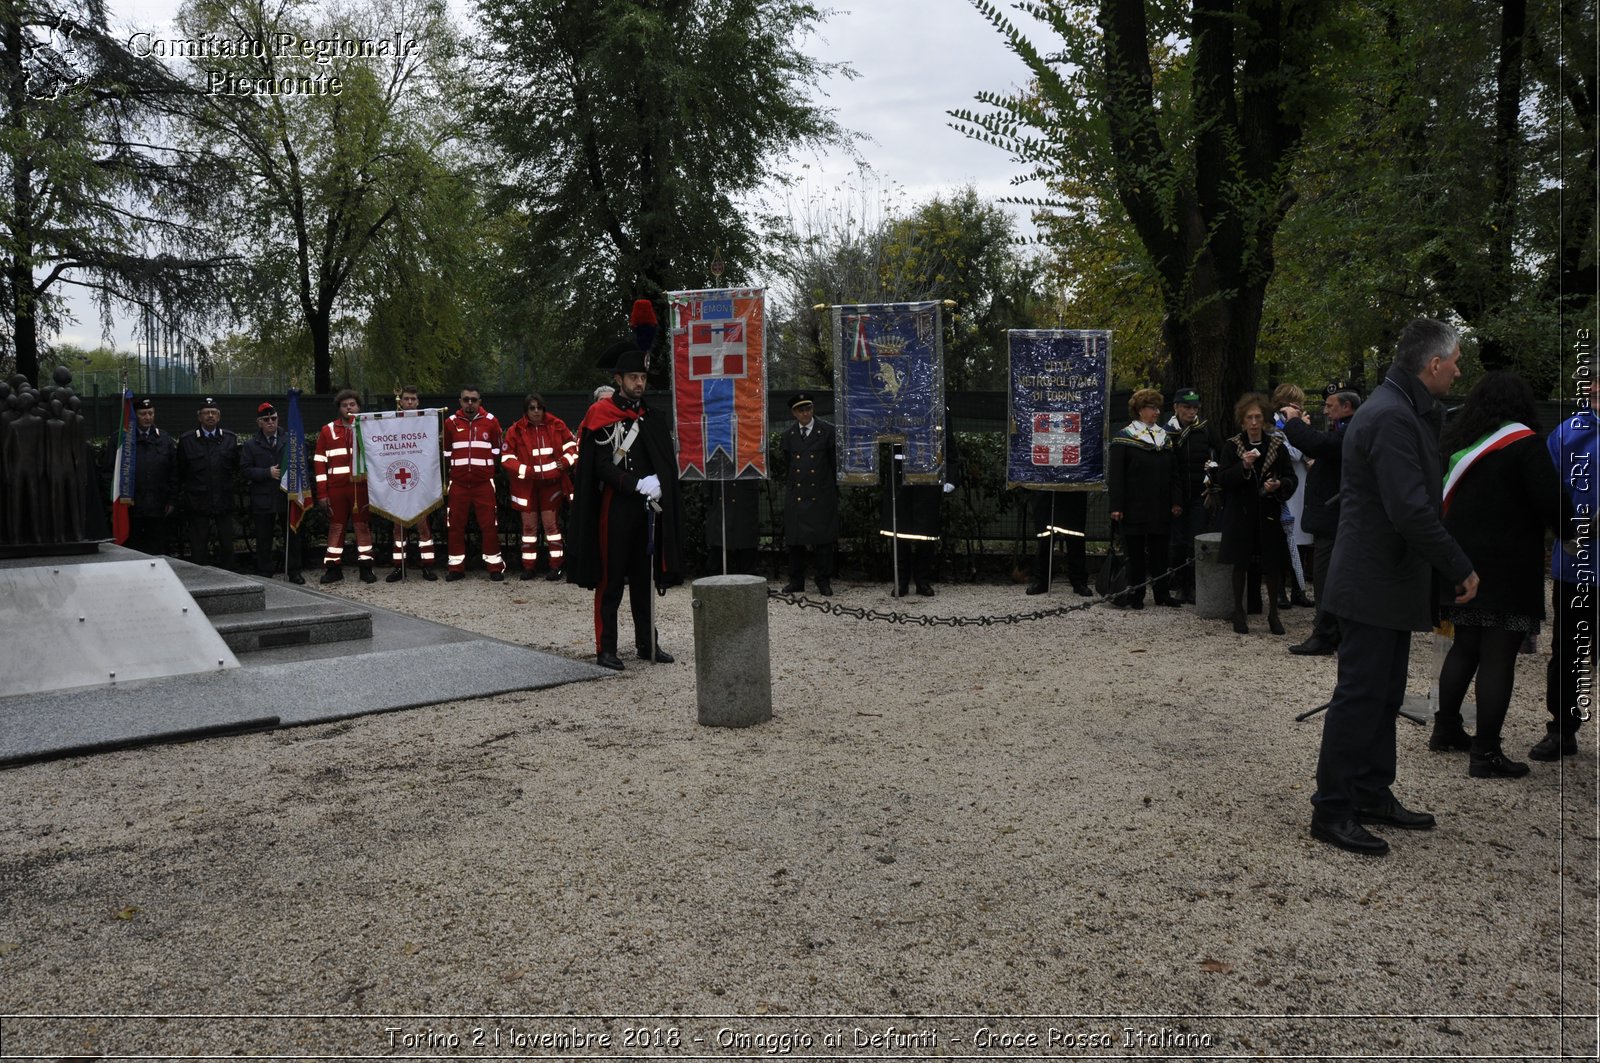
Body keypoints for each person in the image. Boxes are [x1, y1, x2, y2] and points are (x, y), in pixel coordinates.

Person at [1310, 318, 1478, 856]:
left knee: (1382, 695)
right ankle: (1332, 808)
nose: (1458, 370)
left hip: (1386, 580)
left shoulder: (1399, 408)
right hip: (1372, 582)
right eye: (1454, 361)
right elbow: (1410, 509)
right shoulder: (1391, 416)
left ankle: (1371, 791)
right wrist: (1459, 566)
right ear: (1433, 364)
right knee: (1360, 697)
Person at [1428, 372, 1569, 777]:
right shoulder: (1525, 445)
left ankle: (1446, 728)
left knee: (1465, 647)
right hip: (1509, 567)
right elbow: (1552, 504)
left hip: (1461, 562)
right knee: (1498, 656)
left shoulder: (1459, 444)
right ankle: (1486, 752)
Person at [567, 308, 683, 670]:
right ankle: (607, 648)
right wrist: (636, 483)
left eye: (642, 377)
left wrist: (661, 482)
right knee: (611, 579)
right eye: (633, 377)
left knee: (644, 581)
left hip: (647, 510)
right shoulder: (602, 415)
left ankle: (648, 644)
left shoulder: (650, 416)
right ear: (619, 379)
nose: (639, 383)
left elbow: (662, 459)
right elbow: (599, 465)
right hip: (615, 508)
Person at [1537, 373, 1597, 761]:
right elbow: (1545, 489)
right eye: (1594, 382)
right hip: (1577, 565)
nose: (1594, 389)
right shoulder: (1568, 432)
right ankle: (1562, 729)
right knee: (1569, 650)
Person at [1280, 386, 1360, 655]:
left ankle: (1325, 635)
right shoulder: (1345, 428)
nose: (1325, 410)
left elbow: (1319, 444)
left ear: (1347, 407)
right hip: (1331, 517)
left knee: (1327, 579)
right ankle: (1332, 632)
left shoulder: (1351, 430)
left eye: (1330, 405)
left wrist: (1292, 421)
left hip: (1333, 519)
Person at [1215, 393, 1297, 634]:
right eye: (1249, 417)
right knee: (1240, 564)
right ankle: (1238, 613)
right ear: (1242, 421)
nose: (1253, 422)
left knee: (1272, 565)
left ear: (1264, 420)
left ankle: (1273, 614)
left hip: (1268, 514)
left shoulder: (1276, 447)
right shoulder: (1232, 446)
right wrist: (1244, 466)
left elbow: (1291, 478)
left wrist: (1279, 485)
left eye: (1258, 417)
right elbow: (1222, 478)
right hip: (1239, 514)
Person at [1107, 388, 1181, 609]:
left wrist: (1176, 501)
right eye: (1152, 408)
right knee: (1136, 554)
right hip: (1134, 506)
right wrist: (1116, 506)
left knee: (1160, 552)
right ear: (1140, 410)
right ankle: (1136, 594)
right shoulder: (1124, 438)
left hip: (1160, 506)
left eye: (1158, 408)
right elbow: (1117, 476)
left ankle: (1162, 593)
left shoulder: (1164, 439)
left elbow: (1174, 474)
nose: (1157, 412)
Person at [501, 391, 577, 580]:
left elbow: (573, 447)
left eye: (539, 408)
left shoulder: (557, 425)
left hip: (551, 485)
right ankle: (529, 567)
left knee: (551, 528)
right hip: (526, 485)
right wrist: (525, 470)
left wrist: (566, 462)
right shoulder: (515, 430)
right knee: (528, 529)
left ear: (544, 409)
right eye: (531, 408)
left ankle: (556, 567)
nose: (536, 412)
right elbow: (506, 458)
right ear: (526, 411)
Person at [881, 424, 957, 598]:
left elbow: (948, 443)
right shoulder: (899, 406)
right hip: (900, 475)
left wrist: (951, 477)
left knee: (926, 534)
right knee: (899, 533)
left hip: (929, 476)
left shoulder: (939, 408)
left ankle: (923, 581)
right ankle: (901, 581)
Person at [442, 385, 506, 582]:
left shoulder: (491, 421)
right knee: (455, 525)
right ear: (460, 401)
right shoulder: (450, 423)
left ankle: (494, 566)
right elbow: (446, 452)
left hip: (483, 484)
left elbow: (496, 451)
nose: (470, 403)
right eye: (466, 399)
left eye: (474, 400)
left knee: (489, 525)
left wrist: (483, 469)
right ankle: (456, 567)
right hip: (459, 483)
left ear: (480, 402)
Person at [313, 389, 376, 583]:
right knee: (336, 528)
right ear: (339, 408)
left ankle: (366, 568)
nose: (349, 408)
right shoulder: (328, 430)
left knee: (362, 527)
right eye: (344, 405)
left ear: (358, 406)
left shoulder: (369, 428)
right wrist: (322, 493)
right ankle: (333, 568)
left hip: (362, 488)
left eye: (352, 404)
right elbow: (319, 461)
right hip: (336, 489)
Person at [780, 392, 838, 596]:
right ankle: (796, 580)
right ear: (794, 413)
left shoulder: (828, 432)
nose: (806, 413)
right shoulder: (788, 436)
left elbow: (833, 464)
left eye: (809, 408)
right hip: (797, 493)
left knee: (823, 541)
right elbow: (788, 466)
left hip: (820, 493)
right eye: (801, 409)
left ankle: (823, 580)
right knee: (795, 541)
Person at [240, 401, 305, 584]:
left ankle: (294, 571)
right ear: (259, 422)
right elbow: (245, 470)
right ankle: (264, 572)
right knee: (263, 537)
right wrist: (266, 472)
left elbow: (300, 464)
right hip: (264, 497)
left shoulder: (290, 439)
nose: (271, 422)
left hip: (287, 495)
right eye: (266, 419)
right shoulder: (251, 444)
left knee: (292, 536)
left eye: (273, 418)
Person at [176, 396, 239, 569]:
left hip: (223, 500)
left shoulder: (230, 439)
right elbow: (180, 471)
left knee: (227, 543)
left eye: (213, 413)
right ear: (199, 417)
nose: (210, 416)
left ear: (219, 417)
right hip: (198, 501)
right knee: (198, 546)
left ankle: (231, 578)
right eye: (206, 413)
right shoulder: (187, 440)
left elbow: (235, 468)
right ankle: (201, 579)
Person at [1165, 388, 1216, 603]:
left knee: (1195, 539)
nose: (1191, 411)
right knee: (1176, 542)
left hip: (1198, 494)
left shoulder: (1204, 431)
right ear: (1176, 407)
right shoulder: (1165, 433)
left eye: (1195, 407)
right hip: (1174, 496)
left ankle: (1194, 585)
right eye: (1186, 407)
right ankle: (1179, 583)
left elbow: (1215, 457)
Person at [386, 385, 438, 582]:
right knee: (398, 529)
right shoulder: (391, 423)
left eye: (413, 399)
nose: (409, 402)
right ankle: (399, 567)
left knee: (423, 528)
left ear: (418, 402)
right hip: (398, 484)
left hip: (420, 483)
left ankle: (428, 566)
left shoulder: (427, 422)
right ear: (400, 401)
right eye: (406, 399)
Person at [1270, 383, 1314, 608]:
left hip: (1302, 485)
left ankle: (1299, 590)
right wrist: (1302, 430)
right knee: (1285, 541)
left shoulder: (1295, 424)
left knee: (1302, 541)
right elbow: (1294, 453)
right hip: (1287, 488)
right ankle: (1279, 592)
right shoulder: (1276, 425)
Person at [126, 397, 178, 556]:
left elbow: (173, 471)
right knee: (133, 547)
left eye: (150, 413)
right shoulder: (123, 439)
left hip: (158, 505)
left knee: (156, 548)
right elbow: (110, 472)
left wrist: (171, 499)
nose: (147, 417)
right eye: (143, 414)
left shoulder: (164, 438)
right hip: (131, 506)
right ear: (135, 415)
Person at [1025, 491, 1091, 597]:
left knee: (1075, 539)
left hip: (1073, 493)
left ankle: (1079, 582)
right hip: (1046, 492)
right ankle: (1041, 581)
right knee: (1045, 540)